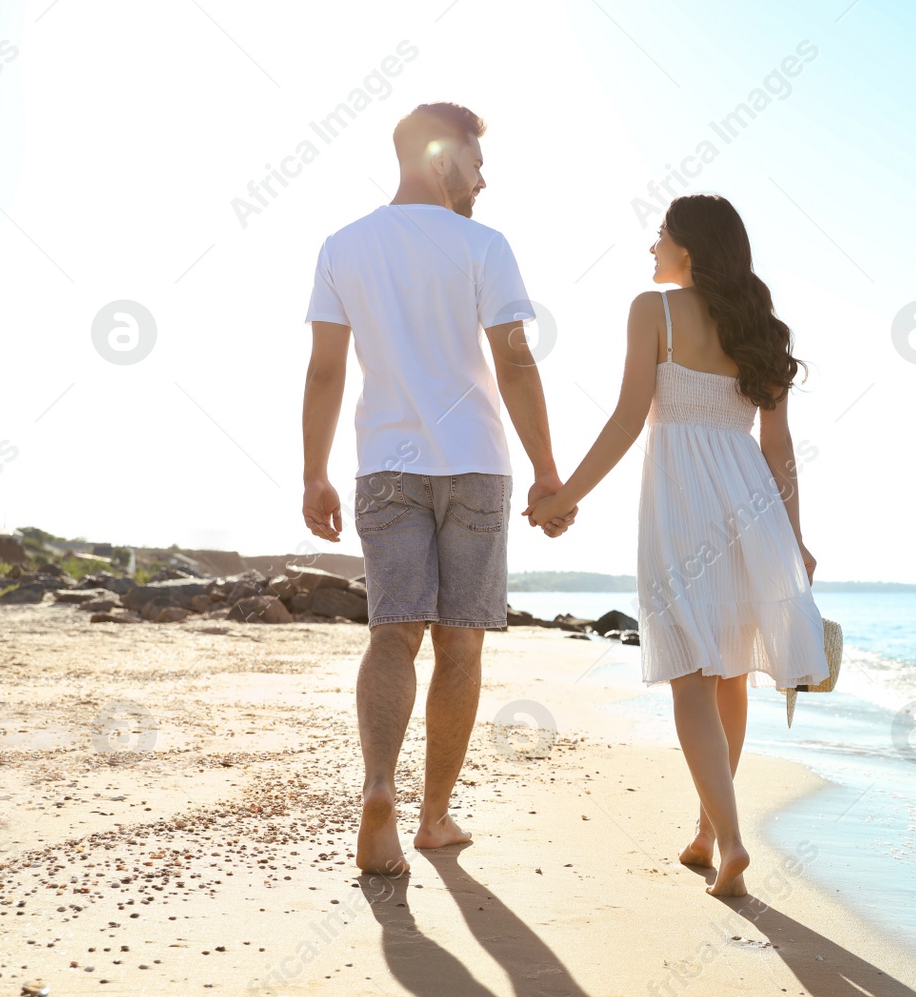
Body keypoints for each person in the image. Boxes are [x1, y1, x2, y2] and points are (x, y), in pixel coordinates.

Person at [524, 193, 827, 897]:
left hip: (680, 505)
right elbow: (779, 450)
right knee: (728, 675)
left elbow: (632, 416)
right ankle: (706, 828)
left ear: (686, 250)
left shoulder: (651, 311)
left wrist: (565, 496)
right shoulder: (758, 325)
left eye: (658, 238)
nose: (650, 250)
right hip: (750, 506)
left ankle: (729, 840)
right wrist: (796, 538)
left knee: (690, 675)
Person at [300, 102, 572, 876]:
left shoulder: (343, 246)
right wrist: (549, 469)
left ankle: (379, 787)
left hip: (386, 465)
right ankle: (434, 815)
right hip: (475, 463)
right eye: (477, 163)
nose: (484, 179)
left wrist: (314, 470)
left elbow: (324, 370)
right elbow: (516, 362)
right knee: (461, 643)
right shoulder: (484, 246)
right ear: (443, 157)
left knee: (394, 634)